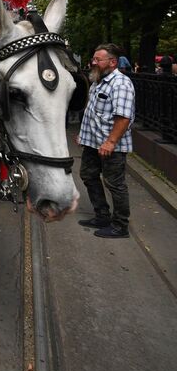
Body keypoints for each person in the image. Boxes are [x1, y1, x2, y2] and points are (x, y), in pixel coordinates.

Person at [77, 43, 135, 239]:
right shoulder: (97, 81)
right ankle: (102, 215)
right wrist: (83, 135)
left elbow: (123, 118)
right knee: (88, 175)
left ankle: (120, 226)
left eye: (97, 60)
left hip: (111, 146)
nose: (93, 62)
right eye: (93, 59)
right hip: (92, 143)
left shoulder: (120, 83)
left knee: (115, 184)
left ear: (112, 62)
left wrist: (110, 142)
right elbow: (92, 112)